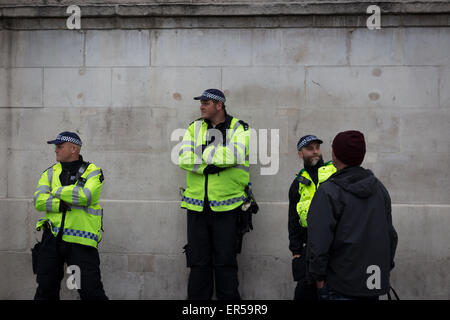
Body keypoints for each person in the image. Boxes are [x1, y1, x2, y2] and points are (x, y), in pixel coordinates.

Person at [306, 130, 398, 300]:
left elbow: (318, 242)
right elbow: (390, 236)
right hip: (372, 285)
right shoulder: (379, 189)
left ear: (335, 154)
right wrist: (384, 270)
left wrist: (318, 279)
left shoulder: (329, 191)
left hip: (339, 286)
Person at [178, 89, 250, 300]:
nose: (201, 106)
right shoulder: (194, 127)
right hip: (197, 207)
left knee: (225, 262)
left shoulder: (239, 127)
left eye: (206, 102)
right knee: (198, 262)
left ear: (219, 105)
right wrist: (214, 164)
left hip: (228, 207)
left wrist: (202, 152)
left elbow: (234, 155)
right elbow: (183, 157)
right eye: (201, 102)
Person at [32, 131, 108, 300]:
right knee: (45, 290)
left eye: (59, 146)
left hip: (80, 241)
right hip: (51, 239)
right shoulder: (49, 172)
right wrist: (61, 203)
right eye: (55, 147)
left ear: (74, 148)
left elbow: (85, 196)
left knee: (90, 291)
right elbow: (38, 200)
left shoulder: (93, 171)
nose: (55, 150)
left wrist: (55, 191)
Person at [288, 135, 336, 300]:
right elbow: (293, 220)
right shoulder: (298, 183)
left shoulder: (334, 172)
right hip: (309, 247)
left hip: (334, 246)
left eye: (317, 147)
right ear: (300, 154)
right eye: (310, 149)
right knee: (304, 294)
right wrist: (295, 251)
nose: (315, 152)